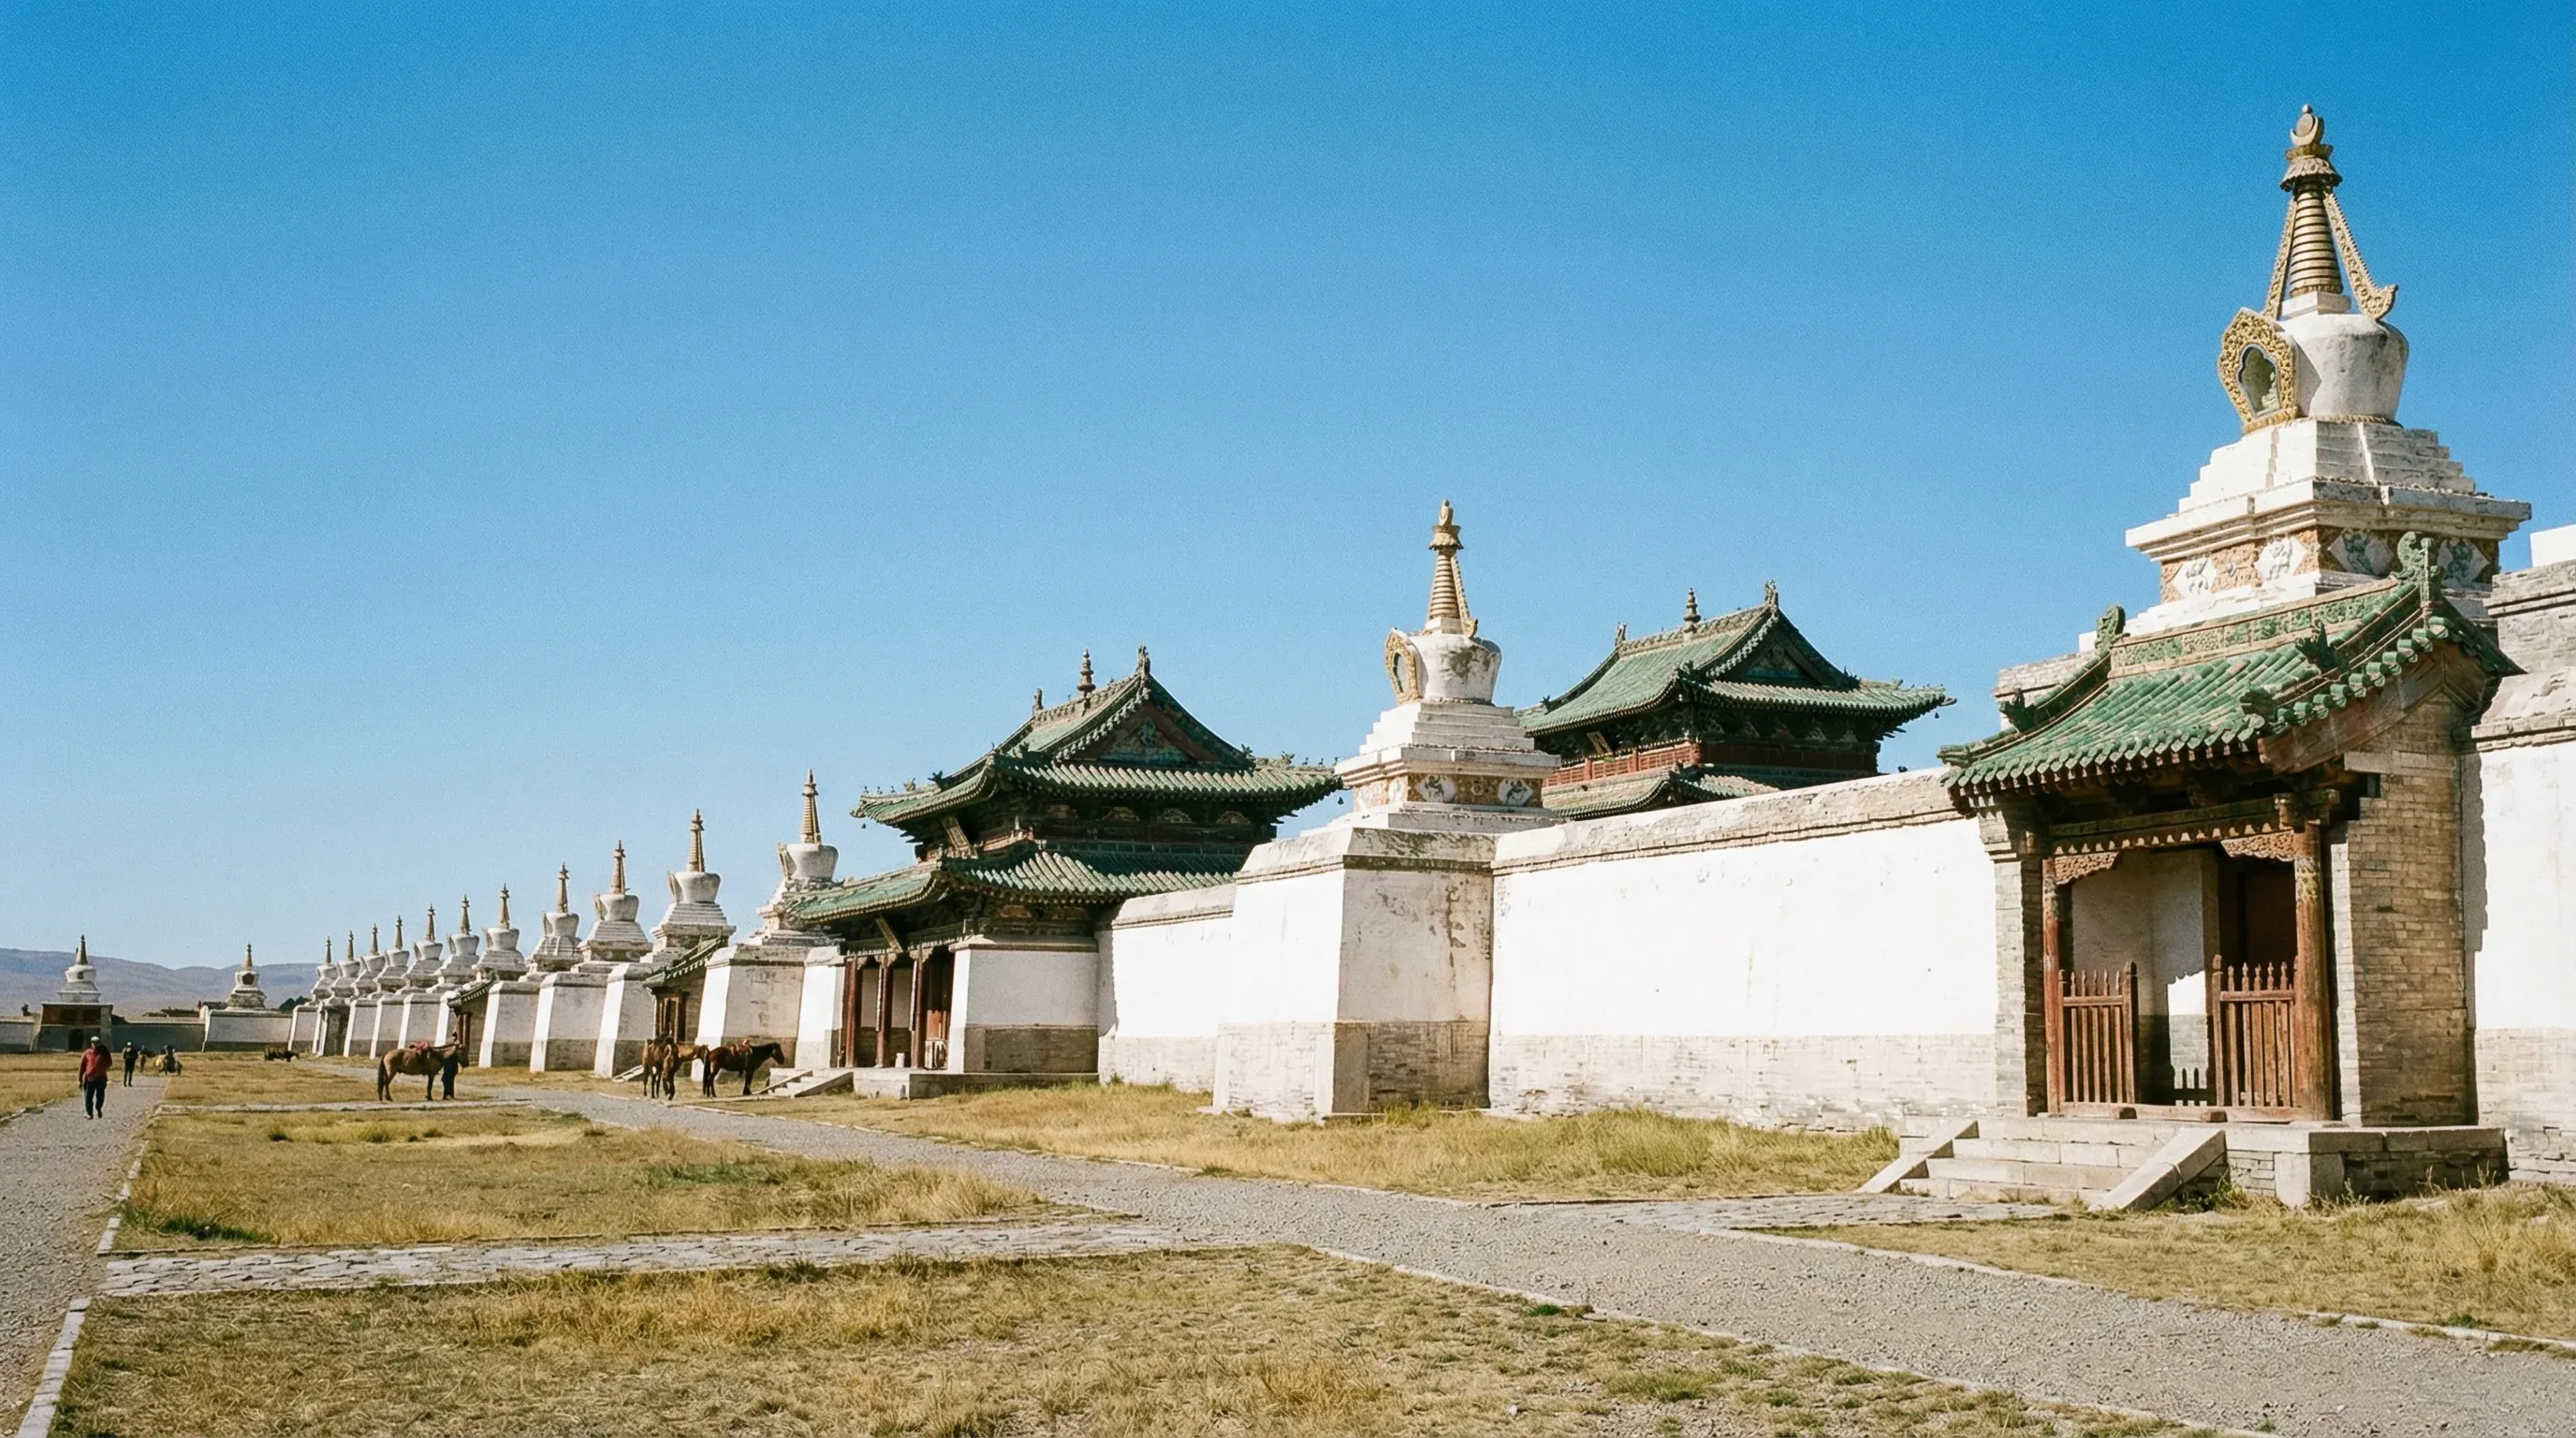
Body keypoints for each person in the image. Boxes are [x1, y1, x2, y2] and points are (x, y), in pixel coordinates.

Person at [79, 1039, 111, 1119]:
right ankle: (89, 1113)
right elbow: (82, 1067)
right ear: (91, 1043)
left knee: (100, 1096)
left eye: (97, 1043)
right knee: (88, 1097)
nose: (95, 1045)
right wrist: (80, 1079)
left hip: (101, 1078)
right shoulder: (87, 1053)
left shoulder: (104, 1053)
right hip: (89, 1079)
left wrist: (101, 1069)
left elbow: (109, 1063)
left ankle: (98, 1108)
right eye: (94, 1043)